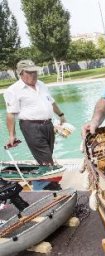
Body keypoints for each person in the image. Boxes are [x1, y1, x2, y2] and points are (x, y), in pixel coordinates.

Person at [3, 59, 66, 190]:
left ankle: (41, 183)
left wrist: (61, 115)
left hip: (48, 125)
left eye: (35, 72)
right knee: (46, 159)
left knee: (47, 155)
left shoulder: (41, 84)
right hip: (31, 127)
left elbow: (51, 102)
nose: (34, 75)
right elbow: (10, 114)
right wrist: (12, 135)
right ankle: (51, 187)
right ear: (21, 73)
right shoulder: (13, 90)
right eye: (30, 72)